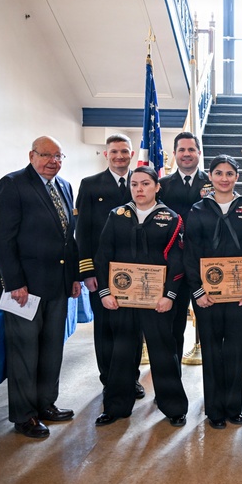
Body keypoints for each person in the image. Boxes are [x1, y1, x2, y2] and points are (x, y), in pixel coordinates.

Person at [0, 136, 81, 439]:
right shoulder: (12, 185)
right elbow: (2, 239)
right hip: (24, 289)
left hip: (57, 286)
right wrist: (15, 283)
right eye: (46, 155)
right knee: (24, 352)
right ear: (31, 155)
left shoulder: (64, 186)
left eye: (58, 156)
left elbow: (69, 238)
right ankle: (24, 415)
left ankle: (46, 405)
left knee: (52, 348)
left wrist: (73, 278)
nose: (53, 161)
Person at [92, 167, 188, 427]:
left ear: (157, 186)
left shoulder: (171, 218)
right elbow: (102, 257)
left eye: (145, 184)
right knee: (121, 353)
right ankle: (115, 407)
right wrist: (105, 292)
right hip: (122, 300)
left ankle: (174, 408)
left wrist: (169, 295)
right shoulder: (117, 216)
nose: (139, 189)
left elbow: (179, 262)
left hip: (157, 301)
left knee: (163, 354)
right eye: (134, 184)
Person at [183, 156, 242, 429]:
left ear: (236, 176)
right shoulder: (197, 210)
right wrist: (196, 290)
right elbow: (190, 253)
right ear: (210, 175)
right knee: (211, 351)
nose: (224, 178)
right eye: (218, 173)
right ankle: (214, 409)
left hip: (239, 296)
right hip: (206, 296)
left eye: (230, 173)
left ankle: (233, 407)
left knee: (234, 351)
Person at [75, 134, 145, 400]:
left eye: (124, 152)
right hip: (102, 271)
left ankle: (132, 378)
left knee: (133, 328)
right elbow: (82, 232)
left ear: (131, 154)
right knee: (105, 328)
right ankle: (109, 379)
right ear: (106, 155)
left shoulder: (141, 183)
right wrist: (88, 271)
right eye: (114, 152)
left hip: (135, 271)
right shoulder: (91, 185)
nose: (119, 156)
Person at [158, 132, 213, 358]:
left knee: (209, 328)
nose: (187, 154)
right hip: (173, 265)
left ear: (199, 153)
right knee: (172, 327)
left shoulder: (213, 182)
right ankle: (172, 387)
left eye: (191, 150)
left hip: (204, 265)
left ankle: (212, 391)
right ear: (174, 154)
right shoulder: (161, 185)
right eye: (182, 150)